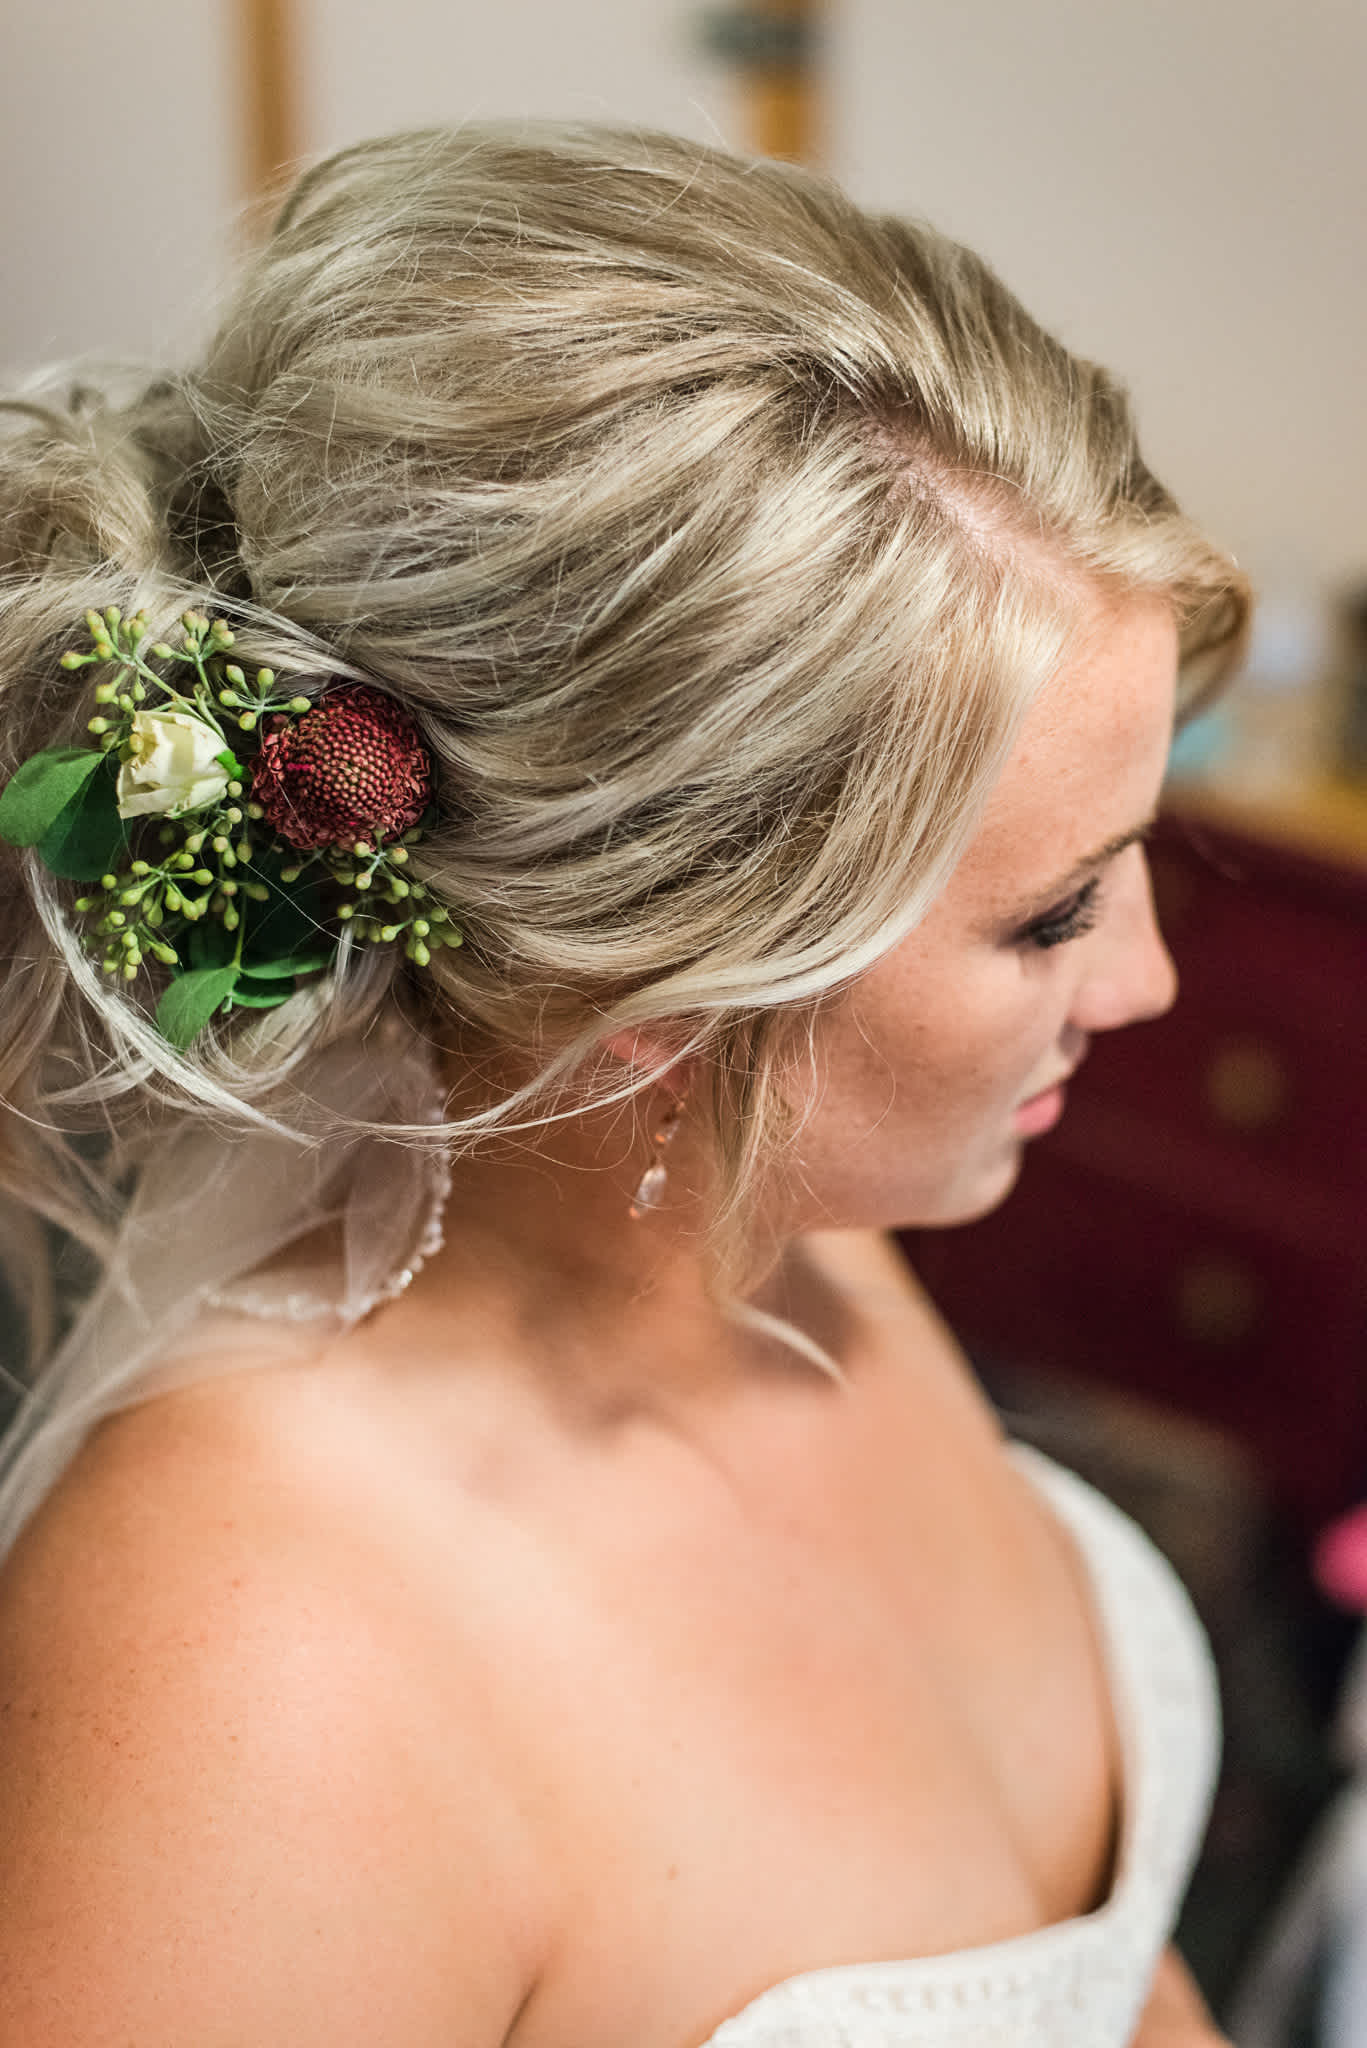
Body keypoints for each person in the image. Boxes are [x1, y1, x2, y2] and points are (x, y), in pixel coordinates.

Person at [0, 123, 1249, 2047]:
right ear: (647, 988)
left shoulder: (784, 1241)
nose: (1148, 978)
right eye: (1055, 914)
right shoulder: (252, 1672)